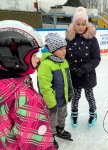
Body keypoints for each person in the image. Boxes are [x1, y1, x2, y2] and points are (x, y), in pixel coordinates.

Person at [0, 20, 56, 149]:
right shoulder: (27, 99)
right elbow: (38, 145)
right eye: (35, 54)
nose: (39, 59)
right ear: (16, 57)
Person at [65, 7, 101, 128]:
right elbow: (64, 57)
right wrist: (72, 67)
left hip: (88, 74)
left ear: (87, 24)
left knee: (89, 95)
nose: (80, 27)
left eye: (83, 24)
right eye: (78, 24)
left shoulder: (92, 40)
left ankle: (93, 113)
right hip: (74, 75)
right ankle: (74, 114)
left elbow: (96, 59)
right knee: (75, 96)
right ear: (73, 24)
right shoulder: (69, 39)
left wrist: (84, 69)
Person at [37, 33, 74, 148]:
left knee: (63, 115)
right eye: (60, 49)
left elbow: (68, 80)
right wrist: (50, 103)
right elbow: (44, 87)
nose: (64, 51)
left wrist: (69, 93)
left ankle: (60, 130)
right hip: (51, 101)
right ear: (52, 50)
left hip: (63, 98)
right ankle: (51, 135)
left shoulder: (64, 62)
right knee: (51, 120)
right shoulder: (46, 65)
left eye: (65, 48)